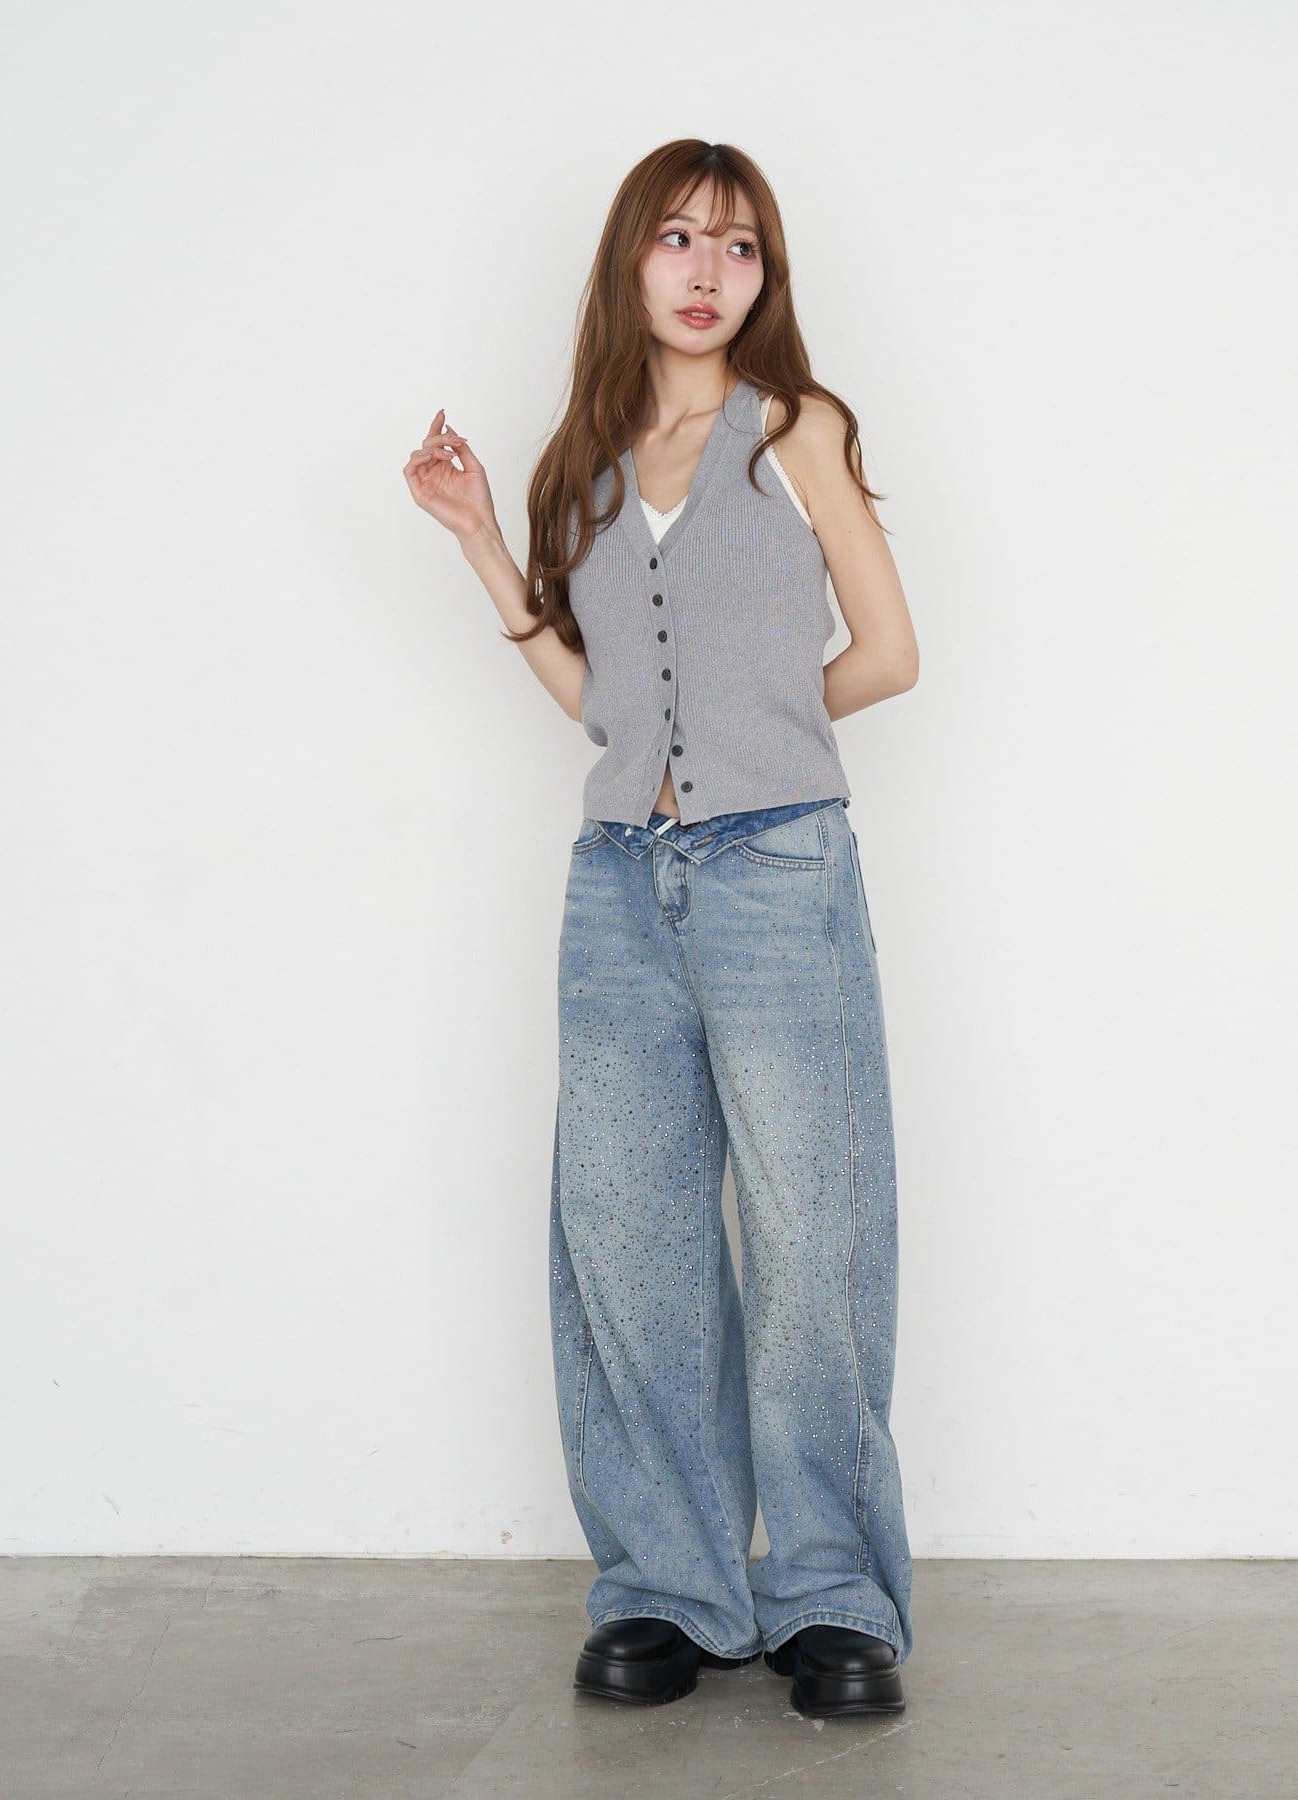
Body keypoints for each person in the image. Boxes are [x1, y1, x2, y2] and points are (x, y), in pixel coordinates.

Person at [403, 139, 920, 1719]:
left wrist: (754, 748)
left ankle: (829, 1595)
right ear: (631, 257)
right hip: (618, 885)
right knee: (629, 1243)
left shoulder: (798, 431)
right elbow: (601, 703)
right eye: (681, 238)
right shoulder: (587, 462)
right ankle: (669, 1589)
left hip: (779, 876)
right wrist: (484, 543)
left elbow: (889, 653)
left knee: (816, 1241)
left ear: (768, 277)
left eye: (741, 246)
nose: (709, 271)